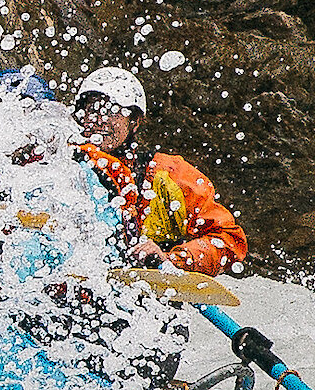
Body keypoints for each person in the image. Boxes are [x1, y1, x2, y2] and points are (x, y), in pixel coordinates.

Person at [71, 66, 248, 277]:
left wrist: (172, 258)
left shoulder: (170, 175)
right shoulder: (62, 165)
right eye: (93, 110)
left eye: (113, 111)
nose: (101, 120)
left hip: (148, 292)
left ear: (134, 122)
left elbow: (229, 241)